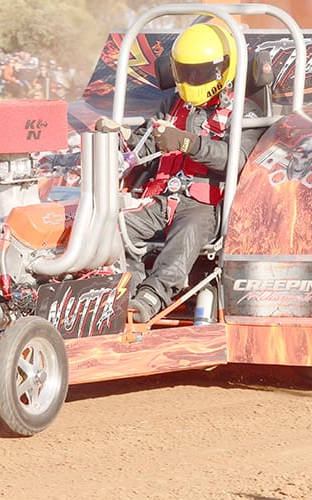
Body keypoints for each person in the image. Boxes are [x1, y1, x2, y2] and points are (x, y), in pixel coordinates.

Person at [103, 21, 262, 323]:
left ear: (221, 70)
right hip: (161, 198)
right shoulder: (172, 105)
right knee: (115, 228)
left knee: (186, 235)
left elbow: (237, 160)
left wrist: (190, 143)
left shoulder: (244, 111)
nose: (191, 79)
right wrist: (117, 137)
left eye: (198, 72)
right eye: (185, 71)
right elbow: (140, 147)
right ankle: (125, 294)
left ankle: (153, 296)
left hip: (204, 206)